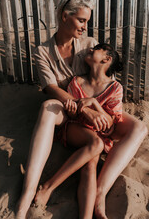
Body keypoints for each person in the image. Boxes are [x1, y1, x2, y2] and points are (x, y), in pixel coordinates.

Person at [15, 0, 148, 219]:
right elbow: (51, 88)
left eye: (87, 21)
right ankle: (29, 192)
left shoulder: (89, 46)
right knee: (47, 108)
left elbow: (106, 84)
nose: (85, 26)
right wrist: (84, 109)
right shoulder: (43, 51)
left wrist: (97, 111)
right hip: (66, 113)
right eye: (81, 20)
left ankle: (100, 193)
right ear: (65, 16)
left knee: (139, 128)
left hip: (95, 116)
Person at [33, 43, 124, 219]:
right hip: (75, 129)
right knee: (95, 143)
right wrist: (73, 110)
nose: (90, 50)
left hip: (97, 136)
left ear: (107, 59)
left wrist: (95, 103)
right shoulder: (77, 81)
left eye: (96, 49)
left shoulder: (115, 88)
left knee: (91, 164)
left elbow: (111, 126)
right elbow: (69, 114)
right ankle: (48, 187)